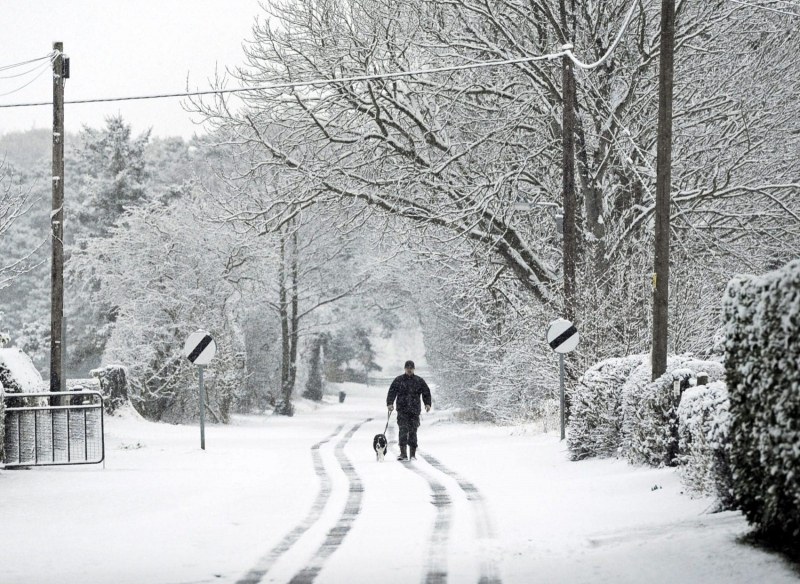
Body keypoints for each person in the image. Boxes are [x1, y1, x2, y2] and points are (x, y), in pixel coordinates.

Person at [386, 360, 432, 461]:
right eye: (407, 368)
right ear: (405, 369)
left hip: (414, 411)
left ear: (414, 369)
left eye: (411, 368)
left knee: (413, 432)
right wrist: (390, 403)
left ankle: (412, 454)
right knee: (403, 431)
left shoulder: (419, 381)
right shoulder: (399, 380)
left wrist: (427, 404)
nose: (409, 370)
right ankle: (403, 453)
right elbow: (392, 392)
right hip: (402, 410)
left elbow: (426, 392)